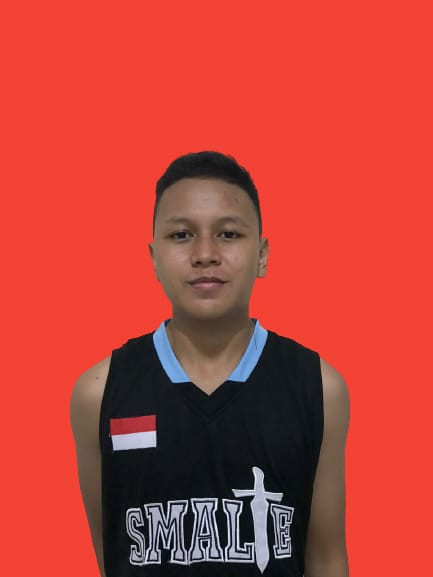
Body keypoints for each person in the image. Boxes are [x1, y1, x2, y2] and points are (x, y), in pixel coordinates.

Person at [70, 151, 350, 577]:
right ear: (153, 258)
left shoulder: (318, 387)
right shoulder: (99, 392)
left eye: (228, 234)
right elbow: (112, 555)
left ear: (262, 255)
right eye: (181, 235)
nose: (205, 253)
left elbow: (326, 558)